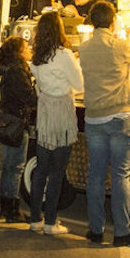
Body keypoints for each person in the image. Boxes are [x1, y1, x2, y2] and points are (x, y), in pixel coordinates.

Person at [78, 0, 130, 247]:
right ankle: (121, 232)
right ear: (112, 21)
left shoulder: (85, 48)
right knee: (120, 174)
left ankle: (96, 230)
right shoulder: (120, 46)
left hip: (94, 119)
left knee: (96, 176)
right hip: (121, 118)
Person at [27, 12, 83, 235]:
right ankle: (51, 222)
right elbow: (79, 84)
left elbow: (39, 87)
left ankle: (34, 219)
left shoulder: (36, 57)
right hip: (62, 114)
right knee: (57, 172)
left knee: (41, 169)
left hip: (45, 114)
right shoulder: (65, 55)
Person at [0, 35, 37, 223]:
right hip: (18, 123)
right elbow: (29, 97)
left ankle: (6, 207)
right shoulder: (18, 71)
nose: (29, 49)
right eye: (26, 47)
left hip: (9, 122)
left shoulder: (8, 69)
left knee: (9, 166)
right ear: (19, 52)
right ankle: (12, 210)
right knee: (16, 167)